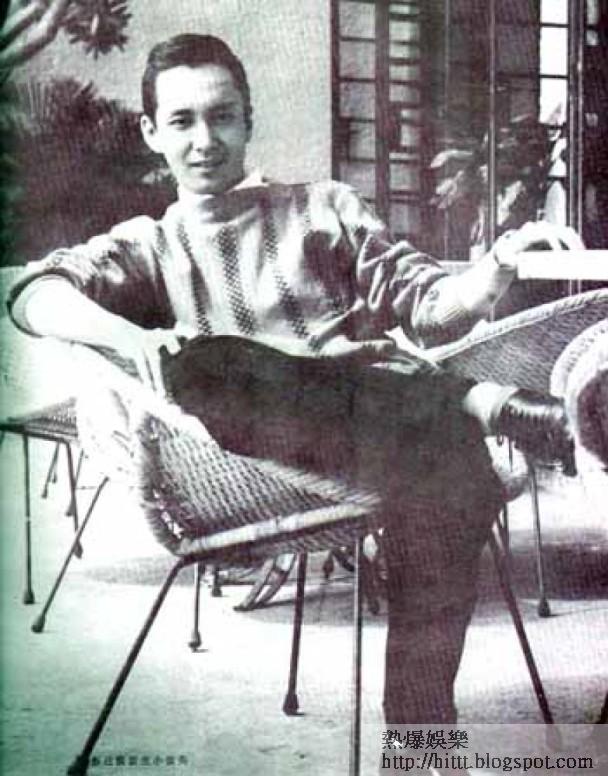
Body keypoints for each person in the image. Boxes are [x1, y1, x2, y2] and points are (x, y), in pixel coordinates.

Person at [8, 34, 579, 731]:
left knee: (450, 472)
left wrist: (495, 266)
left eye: (222, 117)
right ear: (152, 132)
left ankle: (418, 737)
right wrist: (129, 338)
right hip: (260, 456)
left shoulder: (324, 207)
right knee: (204, 363)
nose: (205, 140)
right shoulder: (150, 245)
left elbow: (427, 308)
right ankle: (481, 404)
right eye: (182, 121)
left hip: (388, 443)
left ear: (248, 121)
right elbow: (32, 294)